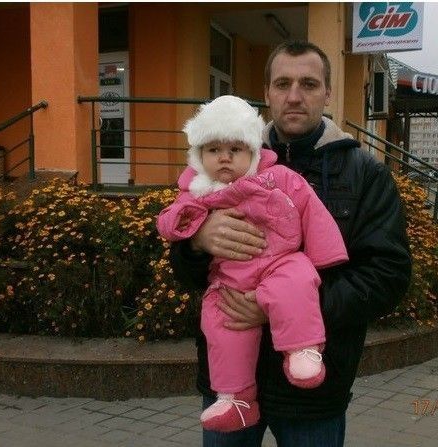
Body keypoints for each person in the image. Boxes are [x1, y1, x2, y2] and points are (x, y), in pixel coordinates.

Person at [170, 40, 412, 447]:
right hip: (229, 383)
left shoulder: (365, 174)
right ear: (266, 93)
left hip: (313, 393)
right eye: (282, 84)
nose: (294, 96)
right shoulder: (223, 161)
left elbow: (388, 276)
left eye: (309, 84)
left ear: (328, 93)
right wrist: (196, 242)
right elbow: (183, 265)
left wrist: (282, 307)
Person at [157, 95, 349, 432]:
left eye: (236, 149)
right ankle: (236, 398)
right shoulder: (197, 192)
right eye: (214, 150)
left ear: (254, 152)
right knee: (219, 321)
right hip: (231, 281)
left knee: (298, 281)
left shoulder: (278, 178)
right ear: (199, 156)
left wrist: (326, 254)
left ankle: (302, 349)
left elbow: (311, 210)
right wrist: (195, 233)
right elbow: (169, 222)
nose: (225, 157)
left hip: (279, 261)